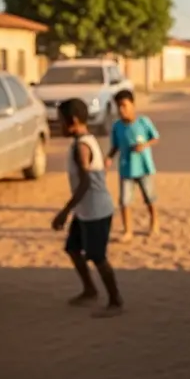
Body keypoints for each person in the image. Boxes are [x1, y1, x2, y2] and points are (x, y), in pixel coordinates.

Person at [51, 98, 123, 318]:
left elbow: (85, 184)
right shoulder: (83, 140)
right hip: (86, 210)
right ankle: (90, 290)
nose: (58, 126)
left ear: (72, 121)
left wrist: (64, 211)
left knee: (98, 257)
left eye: (61, 121)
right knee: (73, 248)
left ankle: (115, 301)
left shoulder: (82, 147)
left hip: (96, 211)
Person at [107, 89, 160, 241]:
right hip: (126, 168)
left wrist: (144, 145)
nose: (121, 110)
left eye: (124, 105)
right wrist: (108, 158)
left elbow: (155, 137)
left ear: (133, 105)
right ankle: (128, 230)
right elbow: (114, 146)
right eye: (119, 106)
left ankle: (154, 222)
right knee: (124, 201)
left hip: (143, 167)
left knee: (149, 197)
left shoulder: (143, 122)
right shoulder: (117, 127)